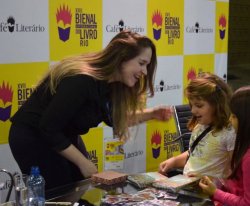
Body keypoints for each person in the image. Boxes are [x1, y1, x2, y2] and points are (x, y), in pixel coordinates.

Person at [9, 30, 172, 190]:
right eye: (141, 63)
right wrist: (83, 162)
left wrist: (152, 113)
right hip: (33, 136)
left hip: (60, 135)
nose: (144, 72)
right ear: (122, 58)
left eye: (147, 66)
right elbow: (49, 128)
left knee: (78, 188)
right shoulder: (81, 81)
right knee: (61, 193)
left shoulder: (111, 86)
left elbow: (116, 118)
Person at [199, 86, 250, 206]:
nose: (230, 120)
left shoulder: (248, 158)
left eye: (234, 116)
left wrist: (216, 192)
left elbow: (247, 204)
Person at [159, 72, 235, 179]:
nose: (193, 110)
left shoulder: (229, 133)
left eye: (199, 105)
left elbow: (236, 175)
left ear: (218, 105)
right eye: (191, 105)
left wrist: (210, 180)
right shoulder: (200, 125)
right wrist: (174, 161)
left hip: (211, 193)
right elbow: (195, 154)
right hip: (188, 186)